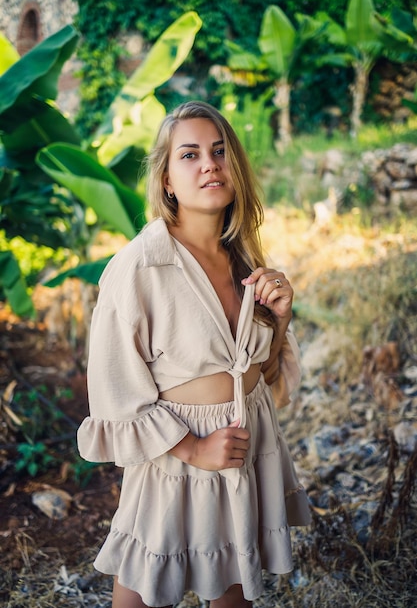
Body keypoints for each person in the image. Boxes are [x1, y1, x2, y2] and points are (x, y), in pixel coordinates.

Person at [77, 100, 311, 608]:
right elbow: (113, 389)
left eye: (219, 151)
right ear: (166, 180)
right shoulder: (140, 267)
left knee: (234, 582)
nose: (209, 163)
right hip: (177, 451)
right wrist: (193, 449)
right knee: (145, 581)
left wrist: (282, 315)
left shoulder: (243, 257)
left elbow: (263, 378)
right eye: (189, 154)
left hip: (244, 441)